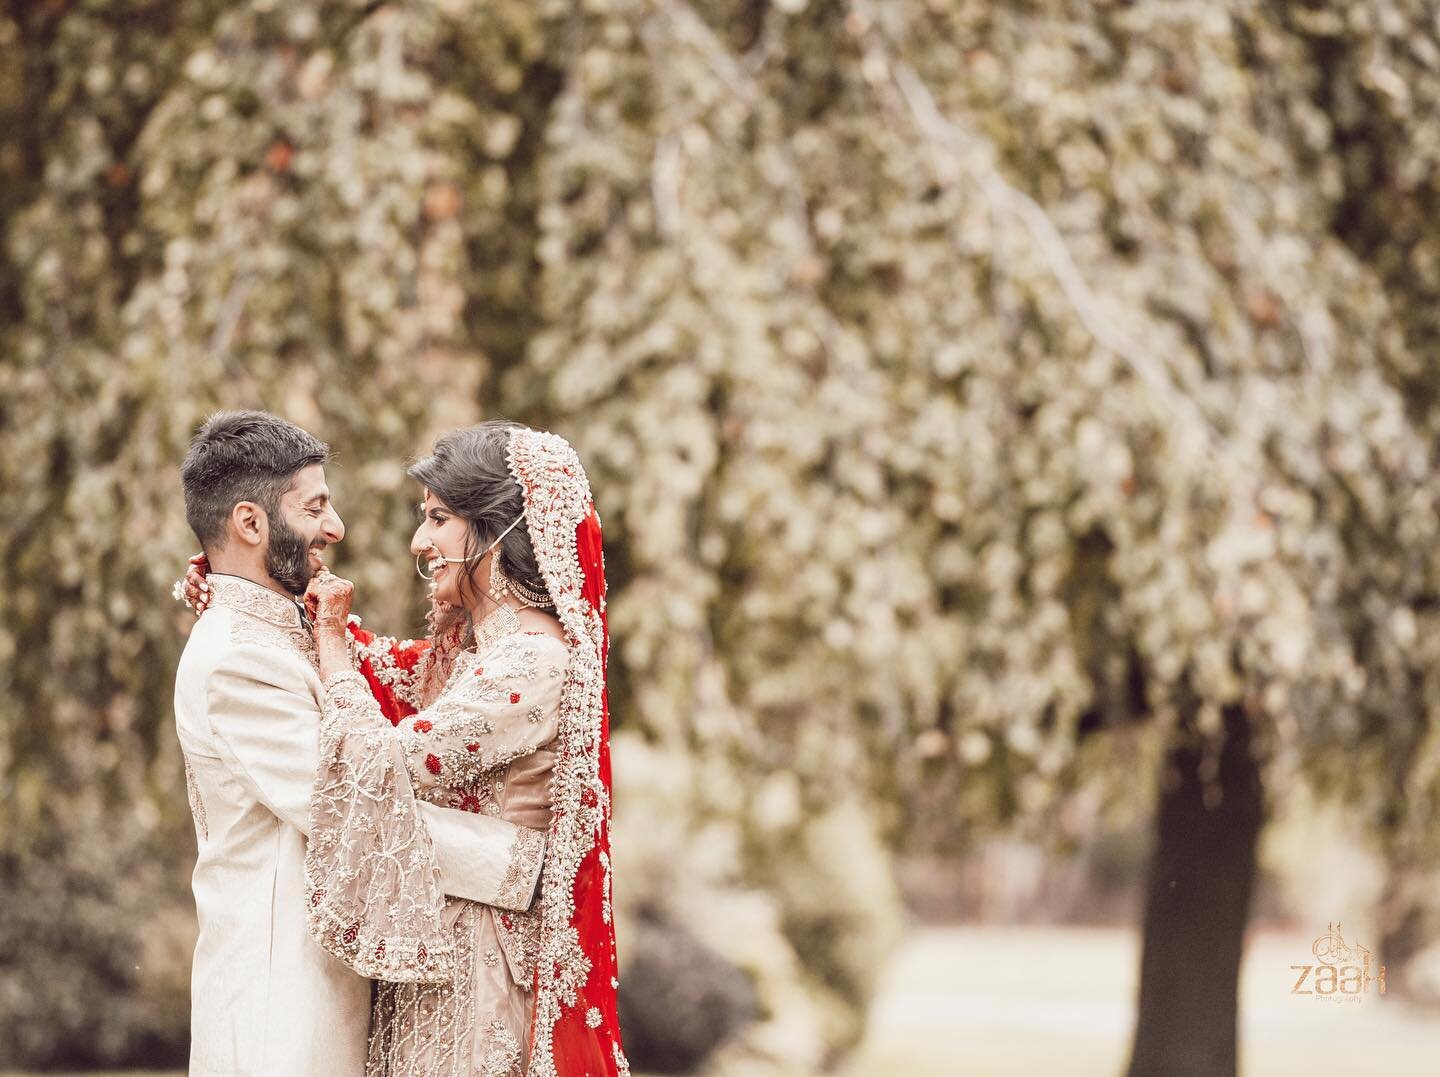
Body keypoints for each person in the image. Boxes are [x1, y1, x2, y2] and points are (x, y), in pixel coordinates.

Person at [174, 411, 548, 1077]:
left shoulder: (280, 634)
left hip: (330, 1012)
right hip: (279, 1024)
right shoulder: (236, 658)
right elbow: (351, 801)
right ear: (251, 524)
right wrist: (521, 862)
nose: (336, 526)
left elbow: (391, 701)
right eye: (316, 505)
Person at [300, 421, 627, 1077]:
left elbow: (387, 761)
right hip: (444, 956)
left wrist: (332, 647)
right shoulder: (480, 657)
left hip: (482, 977)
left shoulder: (535, 663)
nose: (421, 541)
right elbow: (391, 674)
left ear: (499, 528)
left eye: (439, 518)